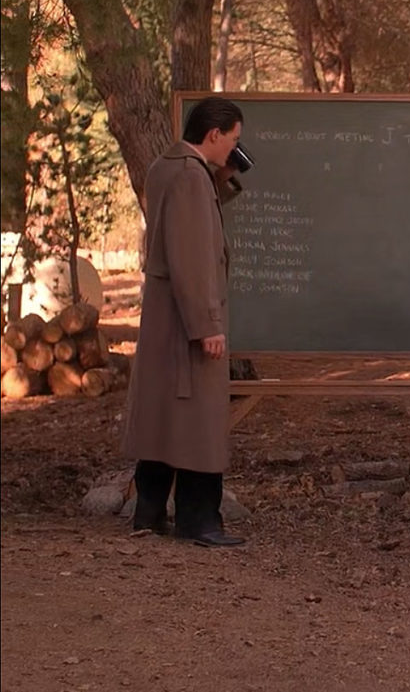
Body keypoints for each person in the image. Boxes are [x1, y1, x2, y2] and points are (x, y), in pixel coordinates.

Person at [123, 96, 246, 547]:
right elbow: (193, 256)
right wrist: (207, 324)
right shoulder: (193, 179)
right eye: (233, 140)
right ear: (214, 135)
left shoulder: (165, 167)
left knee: (164, 415)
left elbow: (182, 226)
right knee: (199, 419)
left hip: (164, 313)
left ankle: (149, 511)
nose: (235, 147)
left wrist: (224, 179)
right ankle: (200, 519)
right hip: (189, 317)